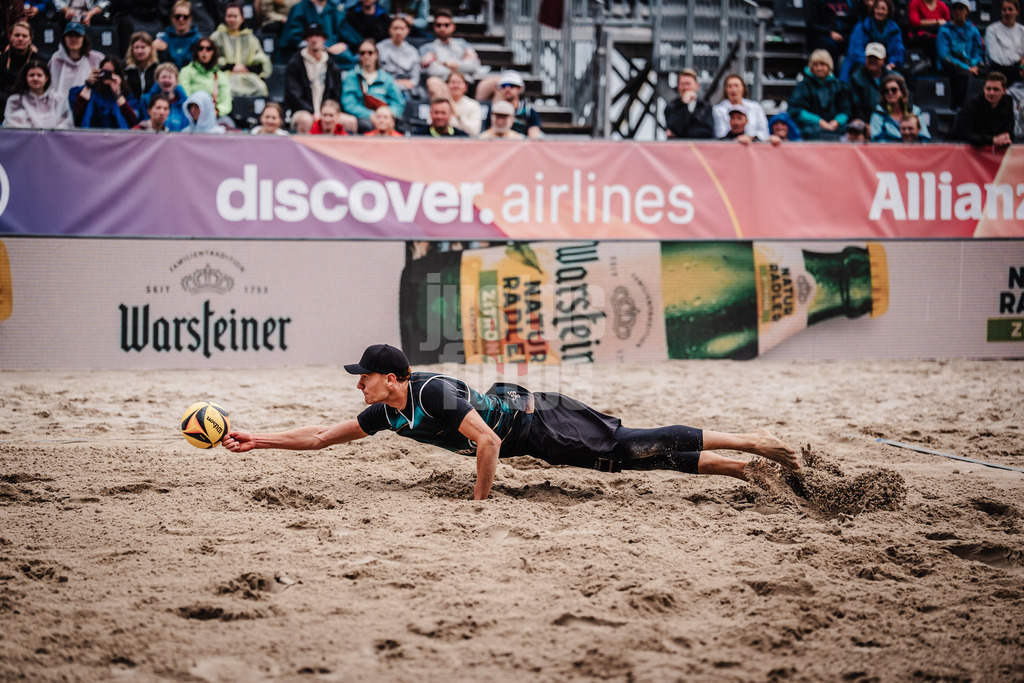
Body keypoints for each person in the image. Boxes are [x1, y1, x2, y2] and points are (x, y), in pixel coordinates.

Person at [221, 344, 801, 501]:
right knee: (625, 461)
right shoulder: (386, 413)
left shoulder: (434, 392)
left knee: (630, 445)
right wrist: (259, 439)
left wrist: (479, 503)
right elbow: (320, 438)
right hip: (534, 435)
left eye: (366, 377)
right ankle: (741, 470)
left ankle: (756, 441)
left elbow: (490, 443)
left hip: (542, 420)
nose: (360, 385)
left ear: (393, 377)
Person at [284, 22, 349, 132]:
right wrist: (313, 112)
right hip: (303, 110)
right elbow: (294, 95)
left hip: (328, 110)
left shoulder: (332, 64)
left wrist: (328, 112)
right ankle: (303, 150)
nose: (314, 40)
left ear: (324, 39)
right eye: (311, 36)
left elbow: (336, 94)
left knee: (349, 122)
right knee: (305, 120)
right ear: (306, 40)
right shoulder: (295, 64)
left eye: (318, 36)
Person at [341, 38, 404, 130]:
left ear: (376, 55)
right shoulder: (351, 77)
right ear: (359, 56)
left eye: (370, 52)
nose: (366, 56)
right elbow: (349, 104)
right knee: (365, 125)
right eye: (362, 53)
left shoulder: (386, 78)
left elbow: (398, 102)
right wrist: (370, 115)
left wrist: (387, 114)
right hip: (362, 118)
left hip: (385, 117)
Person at [211, 1, 272, 97]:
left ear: (242, 18)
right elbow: (212, 60)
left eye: (235, 16)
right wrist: (232, 67)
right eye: (229, 16)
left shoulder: (250, 38)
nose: (232, 20)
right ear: (225, 18)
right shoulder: (217, 37)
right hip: (224, 76)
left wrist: (245, 68)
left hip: (247, 76)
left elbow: (261, 61)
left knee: (260, 88)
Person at [788, 49, 852, 140]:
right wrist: (819, 121)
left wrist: (836, 122)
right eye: (815, 65)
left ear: (828, 66)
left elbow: (846, 110)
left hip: (836, 128)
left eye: (822, 64)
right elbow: (795, 110)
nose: (819, 68)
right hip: (810, 129)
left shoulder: (838, 86)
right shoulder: (803, 86)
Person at [279, 0, 360, 69]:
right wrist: (319, 47)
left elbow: (349, 36)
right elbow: (291, 37)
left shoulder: (333, 10)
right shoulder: (300, 9)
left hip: (334, 57)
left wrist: (344, 45)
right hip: (306, 58)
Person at [420, 9, 480, 101]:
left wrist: (447, 64)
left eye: (446, 25)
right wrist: (457, 75)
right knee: (433, 82)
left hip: (467, 85)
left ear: (453, 26)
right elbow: (432, 70)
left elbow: (474, 65)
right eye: (439, 25)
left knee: (497, 82)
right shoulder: (427, 48)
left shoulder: (463, 45)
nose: (442, 28)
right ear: (434, 27)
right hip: (443, 84)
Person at [840, 0, 904, 81]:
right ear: (873, 9)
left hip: (885, 66)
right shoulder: (861, 27)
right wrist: (871, 64)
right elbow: (855, 51)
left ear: (888, 11)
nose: (880, 11)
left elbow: (898, 51)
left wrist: (892, 64)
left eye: (883, 9)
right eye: (877, 8)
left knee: (903, 73)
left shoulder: (894, 29)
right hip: (863, 63)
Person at [69, 53, 138, 128]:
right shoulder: (91, 92)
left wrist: (118, 94)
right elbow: (77, 114)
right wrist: (88, 85)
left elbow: (132, 120)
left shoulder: (126, 95)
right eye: (104, 72)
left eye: (111, 73)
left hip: (118, 137)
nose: (107, 76)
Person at [937, 0, 984, 108]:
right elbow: (944, 56)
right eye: (955, 9)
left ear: (967, 11)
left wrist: (973, 64)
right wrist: (967, 68)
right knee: (963, 77)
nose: (958, 12)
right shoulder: (944, 31)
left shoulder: (973, 30)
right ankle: (959, 107)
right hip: (951, 67)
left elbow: (978, 51)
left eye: (961, 8)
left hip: (971, 66)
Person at [950, 70, 1016, 145]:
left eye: (996, 89)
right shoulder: (971, 104)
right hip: (964, 147)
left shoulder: (1008, 104)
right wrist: (992, 140)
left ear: (1004, 90)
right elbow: (964, 134)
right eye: (988, 89)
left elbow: (1009, 131)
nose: (991, 93)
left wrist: (1006, 139)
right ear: (983, 89)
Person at [2, 58, 73, 127]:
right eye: (31, 75)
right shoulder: (15, 101)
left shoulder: (58, 100)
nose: (35, 78)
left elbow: (66, 123)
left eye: (39, 75)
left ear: (46, 78)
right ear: (25, 78)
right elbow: (13, 124)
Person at [48, 22, 103, 100]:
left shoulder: (97, 58)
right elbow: (51, 89)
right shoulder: (56, 60)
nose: (73, 39)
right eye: (70, 35)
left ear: (83, 38)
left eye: (77, 35)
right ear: (64, 38)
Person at [179, 37, 233, 118]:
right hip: (191, 115)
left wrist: (217, 111)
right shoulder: (186, 71)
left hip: (214, 116)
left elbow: (226, 102)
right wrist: (195, 110)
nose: (204, 52)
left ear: (213, 52)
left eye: (208, 49)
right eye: (201, 48)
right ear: (196, 52)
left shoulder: (220, 75)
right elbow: (184, 95)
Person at [479, 69, 541, 138]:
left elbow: (533, 137)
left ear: (520, 88)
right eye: (504, 86)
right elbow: (488, 133)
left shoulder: (529, 111)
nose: (507, 89)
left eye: (512, 85)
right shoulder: (492, 109)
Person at [870, 72, 932, 140]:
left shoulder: (914, 111)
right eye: (886, 90)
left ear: (902, 92)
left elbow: (925, 137)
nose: (890, 93)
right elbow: (876, 139)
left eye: (894, 90)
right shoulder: (878, 112)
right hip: (888, 149)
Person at [712, 73, 770, 141]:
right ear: (725, 90)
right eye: (729, 86)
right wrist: (736, 139)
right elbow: (720, 134)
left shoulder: (756, 107)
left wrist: (750, 138)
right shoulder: (717, 110)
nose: (733, 89)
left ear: (743, 88)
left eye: (736, 86)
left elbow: (764, 133)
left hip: (754, 147)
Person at [0, 21, 36, 123]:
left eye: (24, 36)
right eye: (17, 35)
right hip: (3, 105)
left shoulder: (38, 62)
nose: (20, 39)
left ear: (30, 39)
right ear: (10, 37)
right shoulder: (2, 60)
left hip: (31, 107)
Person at [664, 67, 714, 139]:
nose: (685, 87)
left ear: (697, 86)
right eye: (682, 84)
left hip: (699, 148)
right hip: (678, 148)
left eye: (688, 84)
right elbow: (676, 129)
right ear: (678, 86)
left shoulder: (705, 107)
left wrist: (682, 133)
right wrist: (684, 104)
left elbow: (708, 132)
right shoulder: (671, 107)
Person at [377, 15, 420, 96]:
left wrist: (409, 83)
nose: (398, 32)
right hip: (384, 87)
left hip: (407, 90)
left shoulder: (413, 52)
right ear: (389, 30)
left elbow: (415, 79)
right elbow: (375, 73)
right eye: (395, 28)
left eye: (402, 29)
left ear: (408, 31)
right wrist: (394, 82)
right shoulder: (379, 48)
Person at [140, 61, 189, 130]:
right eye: (163, 77)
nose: (166, 80)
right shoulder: (146, 100)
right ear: (157, 80)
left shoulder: (185, 103)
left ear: (176, 81)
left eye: (170, 77)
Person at [985, 0, 1024, 86]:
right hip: (998, 69)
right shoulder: (991, 30)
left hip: (1019, 68)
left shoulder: (1022, 30)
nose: (1007, 12)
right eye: (1004, 10)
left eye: (1010, 9)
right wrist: (1019, 59)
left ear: (1017, 11)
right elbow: (996, 58)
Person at [154, 0, 202, 69]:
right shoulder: (163, 40)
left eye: (185, 17)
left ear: (190, 18)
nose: (181, 19)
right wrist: (152, 49)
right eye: (177, 16)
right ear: (172, 18)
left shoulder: (198, 41)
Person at [806, 0, 854, 67]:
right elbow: (811, 24)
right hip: (823, 33)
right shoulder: (816, 2)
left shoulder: (849, 2)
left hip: (846, 32)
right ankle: (831, 74)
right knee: (830, 46)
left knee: (854, 45)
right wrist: (829, 32)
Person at [848, 41, 887, 120]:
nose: (872, 61)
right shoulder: (856, 78)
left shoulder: (892, 77)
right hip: (865, 120)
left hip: (888, 119)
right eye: (870, 58)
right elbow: (855, 106)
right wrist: (866, 124)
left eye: (876, 58)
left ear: (883, 60)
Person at [123, 31, 157, 112]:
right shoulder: (125, 69)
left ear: (150, 48)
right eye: (136, 47)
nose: (139, 51)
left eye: (143, 47)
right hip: (130, 108)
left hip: (151, 109)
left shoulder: (157, 69)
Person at [447, 69, 481, 136]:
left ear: (465, 87)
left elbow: (474, 131)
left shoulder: (473, 105)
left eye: (459, 83)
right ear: (447, 85)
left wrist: (458, 116)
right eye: (453, 82)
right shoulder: (440, 104)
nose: (455, 86)